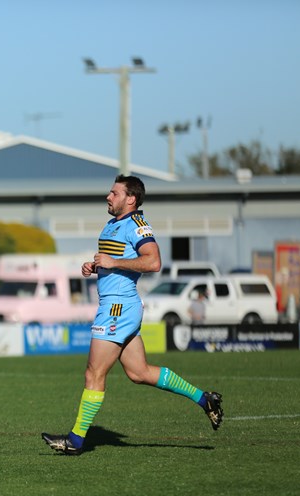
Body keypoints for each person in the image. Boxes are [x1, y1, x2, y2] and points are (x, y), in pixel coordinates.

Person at [41, 175, 223, 456]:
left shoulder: (137, 224)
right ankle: (205, 399)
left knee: (94, 373)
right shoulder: (113, 224)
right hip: (120, 306)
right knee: (139, 373)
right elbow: (117, 262)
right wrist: (97, 267)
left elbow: (154, 261)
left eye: (114, 193)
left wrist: (113, 262)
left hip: (117, 308)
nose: (108, 196)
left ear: (131, 199)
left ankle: (75, 440)